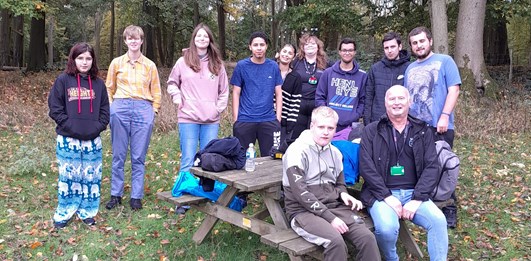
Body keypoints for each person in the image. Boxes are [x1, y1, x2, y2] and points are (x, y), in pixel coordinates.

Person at [359, 85, 447, 261]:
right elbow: (366, 167)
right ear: (385, 103)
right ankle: (392, 258)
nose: (396, 102)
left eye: (401, 98)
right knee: (386, 229)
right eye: (392, 99)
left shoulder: (423, 131)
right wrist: (386, 196)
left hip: (415, 194)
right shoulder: (372, 130)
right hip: (381, 195)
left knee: (438, 220)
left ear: (409, 102)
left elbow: (432, 166)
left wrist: (417, 198)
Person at [282, 106, 380, 261]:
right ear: (312, 126)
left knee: (367, 237)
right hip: (303, 211)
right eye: (321, 127)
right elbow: (300, 193)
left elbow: (340, 184)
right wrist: (331, 218)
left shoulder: (335, 153)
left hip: (334, 206)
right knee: (335, 242)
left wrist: (344, 195)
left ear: (336, 129)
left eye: (330, 128)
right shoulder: (296, 151)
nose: (325, 132)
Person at [48, 42, 110, 229]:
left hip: (93, 140)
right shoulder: (63, 81)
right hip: (68, 139)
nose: (84, 62)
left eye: (88, 58)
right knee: (69, 177)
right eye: (80, 58)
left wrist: (95, 128)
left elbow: (105, 111)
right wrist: (72, 127)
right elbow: (55, 109)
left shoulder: (99, 84)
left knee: (90, 178)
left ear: (93, 61)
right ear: (73, 59)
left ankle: (87, 211)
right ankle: (65, 211)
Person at [405, 26, 461, 228]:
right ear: (411, 46)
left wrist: (444, 116)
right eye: (414, 43)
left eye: (421, 41)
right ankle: (426, 205)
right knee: (422, 167)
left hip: (440, 127)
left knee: (444, 166)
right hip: (416, 127)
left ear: (429, 41)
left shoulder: (445, 61)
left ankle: (449, 208)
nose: (419, 45)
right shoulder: (410, 69)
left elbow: (453, 89)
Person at [105, 25, 161, 210]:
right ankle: (116, 194)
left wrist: (152, 111)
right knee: (119, 154)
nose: (133, 41)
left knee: (138, 156)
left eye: (136, 38)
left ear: (141, 41)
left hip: (143, 108)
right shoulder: (117, 63)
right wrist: (112, 107)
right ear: (125, 41)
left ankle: (136, 196)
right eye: (130, 38)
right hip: (120, 107)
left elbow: (156, 91)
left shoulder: (149, 65)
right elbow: (109, 87)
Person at [167, 23, 229, 173]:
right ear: (194, 39)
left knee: (207, 160)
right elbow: (172, 83)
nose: (202, 38)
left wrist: (217, 109)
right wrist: (177, 96)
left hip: (210, 120)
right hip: (188, 118)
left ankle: (205, 192)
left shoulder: (218, 64)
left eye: (205, 36)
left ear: (210, 40)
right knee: (188, 159)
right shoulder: (182, 62)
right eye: (199, 35)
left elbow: (224, 91)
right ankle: (185, 191)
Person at [231, 31, 283, 156]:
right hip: (245, 120)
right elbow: (236, 93)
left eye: (262, 45)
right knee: (241, 159)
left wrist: (278, 119)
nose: (259, 48)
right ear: (250, 47)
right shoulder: (242, 66)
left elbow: (279, 93)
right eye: (255, 45)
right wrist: (236, 119)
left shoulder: (273, 66)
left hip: (269, 120)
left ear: (266, 47)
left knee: (272, 159)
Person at [281, 34, 330, 143]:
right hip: (298, 105)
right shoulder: (296, 62)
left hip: (316, 105)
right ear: (302, 47)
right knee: (296, 137)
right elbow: (282, 68)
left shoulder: (326, 63)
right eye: (306, 44)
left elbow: (341, 69)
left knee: (314, 137)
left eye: (313, 44)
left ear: (318, 47)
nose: (310, 46)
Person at [315, 38, 366, 140]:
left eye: (350, 50)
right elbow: (319, 97)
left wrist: (355, 115)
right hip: (328, 126)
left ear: (355, 52)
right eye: (344, 50)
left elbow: (363, 100)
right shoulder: (328, 73)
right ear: (339, 52)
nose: (347, 53)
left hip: (349, 127)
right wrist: (327, 116)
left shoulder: (362, 76)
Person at [364, 32, 411, 125]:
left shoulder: (409, 68)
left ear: (400, 47)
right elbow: (368, 97)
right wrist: (367, 121)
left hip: (403, 121)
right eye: (386, 48)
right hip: (378, 120)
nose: (389, 50)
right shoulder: (375, 69)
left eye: (392, 47)